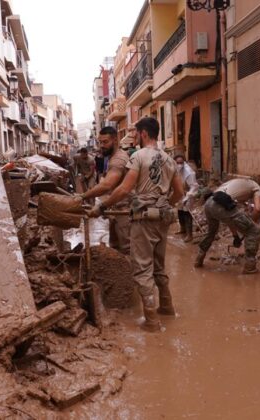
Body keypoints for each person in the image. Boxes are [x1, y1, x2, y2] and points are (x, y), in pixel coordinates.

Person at [87, 117, 184, 332]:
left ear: (143, 134)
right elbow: (179, 192)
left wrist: (101, 207)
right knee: (159, 265)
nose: (135, 138)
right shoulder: (169, 160)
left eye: (136, 134)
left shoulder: (138, 157)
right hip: (163, 218)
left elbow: (122, 190)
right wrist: (165, 203)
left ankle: (151, 320)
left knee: (142, 267)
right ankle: (166, 307)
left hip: (144, 219)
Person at [78, 126, 131, 254]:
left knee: (127, 248)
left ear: (115, 140)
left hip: (125, 211)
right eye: (100, 142)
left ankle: (131, 273)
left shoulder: (119, 159)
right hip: (116, 208)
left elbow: (107, 185)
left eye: (105, 142)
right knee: (115, 247)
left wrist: (82, 196)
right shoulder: (111, 158)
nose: (102, 145)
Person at [194, 177, 260, 274]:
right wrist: (252, 225)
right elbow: (258, 209)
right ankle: (250, 267)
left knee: (211, 232)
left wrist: (235, 236)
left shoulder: (238, 184)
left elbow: (229, 219)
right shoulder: (256, 187)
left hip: (209, 203)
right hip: (221, 204)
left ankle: (198, 259)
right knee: (255, 231)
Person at [174, 154, 200, 242]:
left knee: (187, 212)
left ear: (184, 162)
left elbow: (194, 187)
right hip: (181, 191)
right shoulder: (175, 168)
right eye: (177, 163)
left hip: (190, 193)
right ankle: (182, 229)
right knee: (180, 210)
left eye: (181, 163)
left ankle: (189, 235)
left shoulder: (189, 172)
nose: (179, 164)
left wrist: (187, 197)